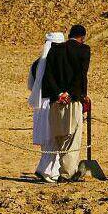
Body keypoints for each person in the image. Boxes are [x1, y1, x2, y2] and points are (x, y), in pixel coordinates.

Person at [40, 25, 91, 181]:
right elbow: (80, 75)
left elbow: (48, 75)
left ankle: (66, 169)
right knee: (72, 137)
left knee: (60, 136)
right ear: (82, 37)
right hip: (73, 99)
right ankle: (67, 173)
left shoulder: (55, 50)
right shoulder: (83, 50)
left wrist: (58, 93)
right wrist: (70, 93)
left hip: (56, 100)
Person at [28, 31, 66, 183]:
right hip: (52, 104)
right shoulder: (57, 63)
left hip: (39, 104)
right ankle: (46, 171)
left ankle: (50, 170)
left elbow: (31, 85)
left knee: (47, 140)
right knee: (54, 138)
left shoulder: (36, 63)